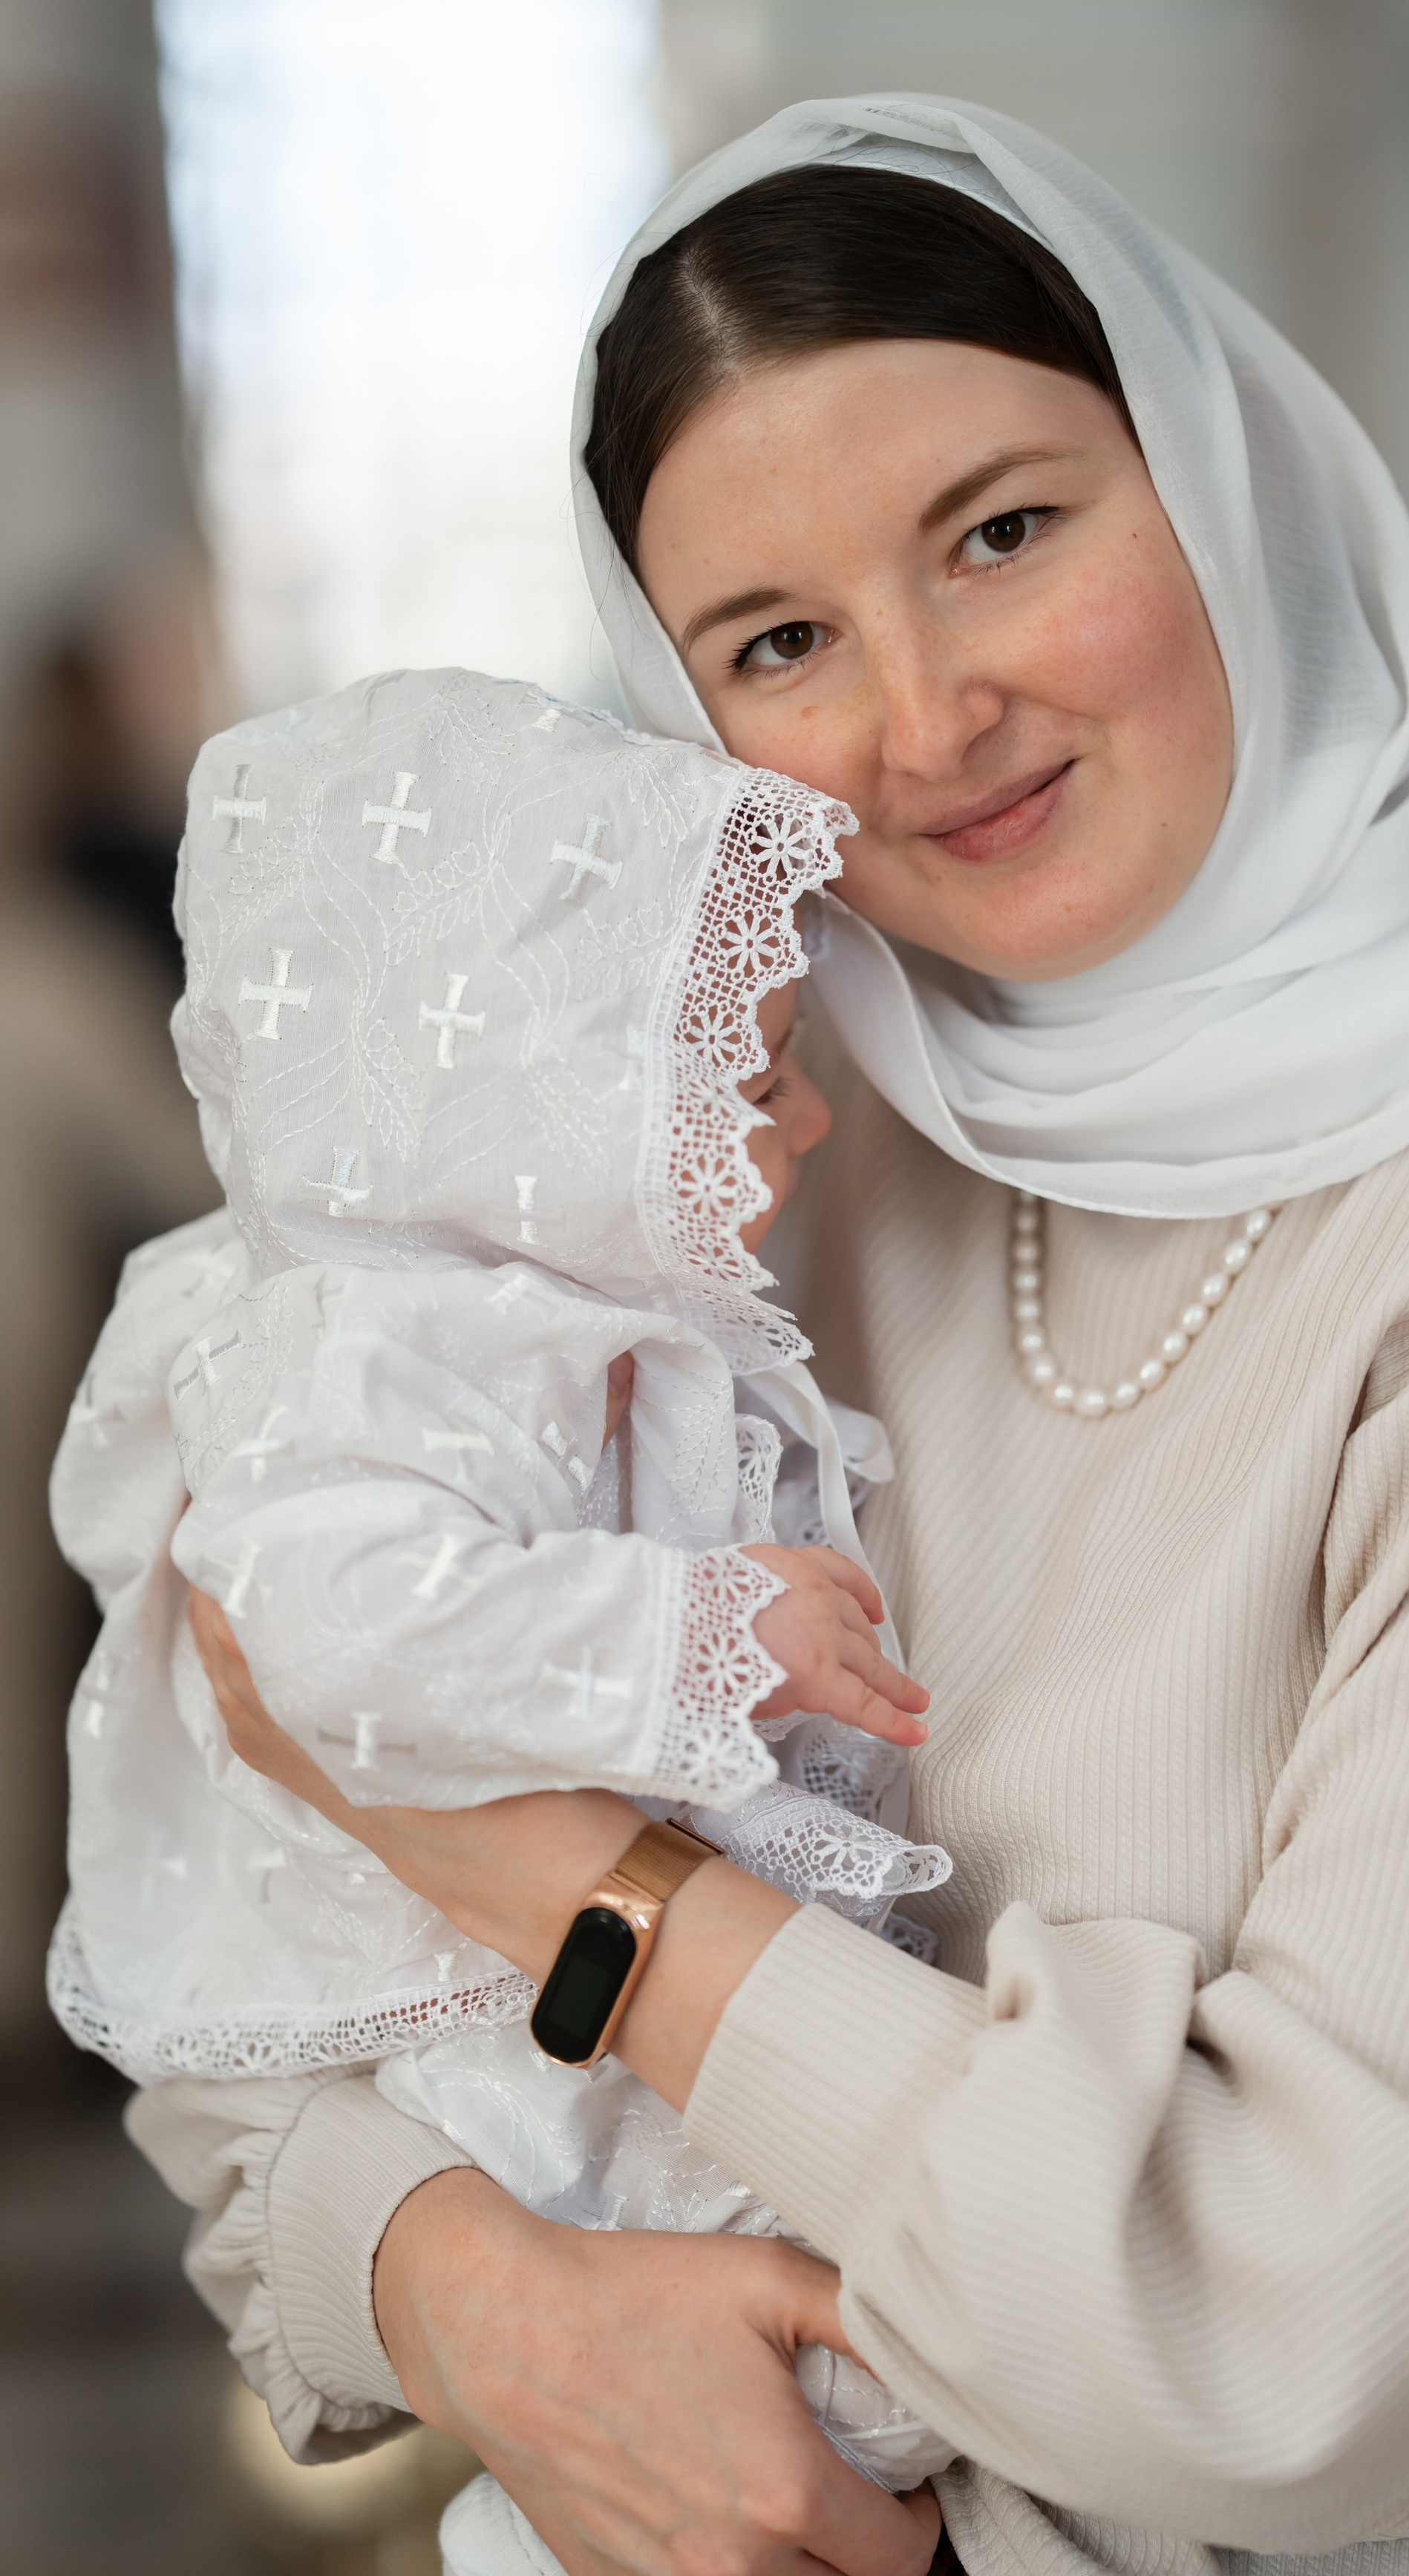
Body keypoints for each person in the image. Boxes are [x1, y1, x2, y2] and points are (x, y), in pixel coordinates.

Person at [120, 100, 1409, 2576]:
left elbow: (1300, 2348)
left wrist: (559, 1882)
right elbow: (223, 1920)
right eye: (779, 642)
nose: (929, 713)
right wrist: (471, 2298)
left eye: (1004, 531)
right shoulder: (737, 1163)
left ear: (1222, 481)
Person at [47, 669, 958, 2556]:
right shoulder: (365, 1349)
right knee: (764, 2318)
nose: (796, 1123)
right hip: (482, 2011)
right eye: (748, 1069)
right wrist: (710, 1629)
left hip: (581, 1981)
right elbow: (342, 1635)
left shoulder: (543, 1313)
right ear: (525, 1088)